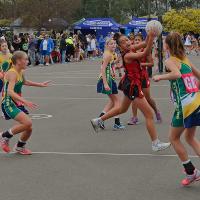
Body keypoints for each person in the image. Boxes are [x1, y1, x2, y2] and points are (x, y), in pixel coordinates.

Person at [91, 32, 171, 152]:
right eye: (123, 42)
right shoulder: (127, 55)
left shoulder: (131, 48)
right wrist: (152, 38)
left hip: (131, 83)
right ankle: (155, 143)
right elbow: (145, 52)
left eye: (128, 40)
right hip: (132, 85)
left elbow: (144, 43)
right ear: (120, 47)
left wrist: (149, 34)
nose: (128, 42)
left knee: (123, 109)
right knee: (149, 114)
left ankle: (98, 120)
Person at [153, 32, 200, 186]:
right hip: (195, 102)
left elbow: (176, 74)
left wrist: (160, 77)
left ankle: (191, 172)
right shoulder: (185, 59)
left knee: (173, 138)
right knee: (189, 138)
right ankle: (192, 172)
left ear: (167, 45)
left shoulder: (170, 61)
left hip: (184, 105)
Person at [0, 51, 50, 155]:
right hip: (8, 103)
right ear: (18, 61)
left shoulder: (20, 71)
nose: (28, 61)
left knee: (28, 128)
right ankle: (4, 136)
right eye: (26, 59)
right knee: (27, 123)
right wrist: (25, 101)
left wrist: (40, 84)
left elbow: (25, 82)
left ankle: (19, 147)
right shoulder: (12, 73)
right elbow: (10, 91)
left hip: (16, 102)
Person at [128, 33, 162, 125]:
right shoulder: (131, 50)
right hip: (134, 76)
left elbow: (151, 63)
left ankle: (156, 111)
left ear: (142, 41)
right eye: (136, 40)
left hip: (143, 75)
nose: (137, 41)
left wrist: (141, 64)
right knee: (134, 97)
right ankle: (135, 117)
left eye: (139, 40)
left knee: (147, 98)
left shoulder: (145, 50)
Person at [96, 38, 125, 130]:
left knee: (113, 101)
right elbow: (103, 69)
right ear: (106, 45)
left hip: (110, 79)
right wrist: (105, 83)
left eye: (114, 43)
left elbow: (110, 65)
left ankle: (100, 119)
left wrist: (117, 63)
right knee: (117, 102)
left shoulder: (111, 55)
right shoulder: (108, 55)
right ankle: (116, 123)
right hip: (107, 80)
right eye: (111, 44)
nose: (113, 45)